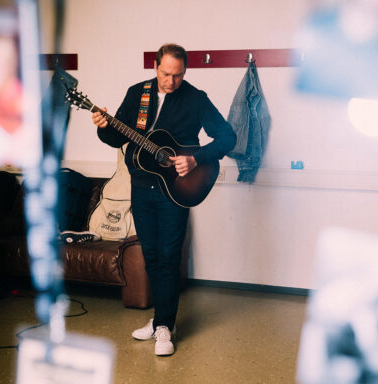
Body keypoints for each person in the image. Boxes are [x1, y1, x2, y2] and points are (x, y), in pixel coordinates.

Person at [92, 43, 236, 356]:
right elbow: (118, 136)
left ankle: (164, 327)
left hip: (176, 191)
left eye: (178, 75)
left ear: (185, 73)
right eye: (166, 73)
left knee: (169, 258)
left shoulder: (195, 98)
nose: (171, 81)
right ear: (155, 66)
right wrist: (104, 127)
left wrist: (196, 159)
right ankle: (161, 320)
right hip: (142, 187)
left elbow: (227, 137)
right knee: (152, 257)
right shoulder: (137, 94)